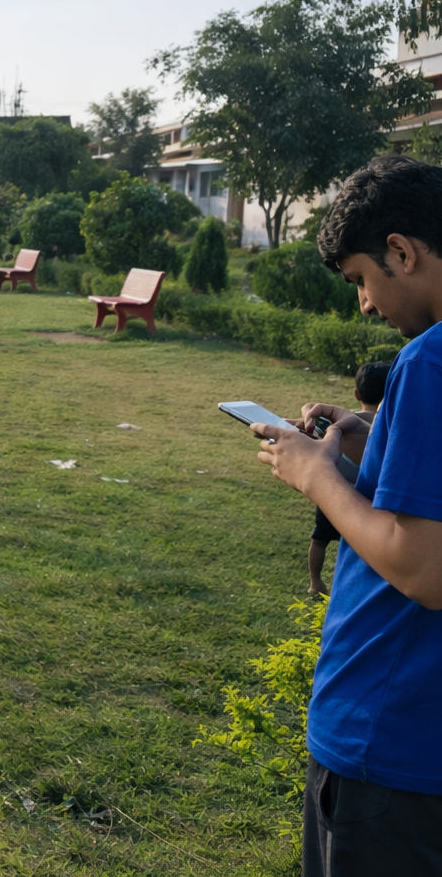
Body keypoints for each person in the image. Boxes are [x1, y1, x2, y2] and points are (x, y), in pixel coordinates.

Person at [249, 155, 442, 874]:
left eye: (362, 278)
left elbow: (424, 568)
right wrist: (374, 449)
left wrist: (316, 475)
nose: (364, 303)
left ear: (402, 251)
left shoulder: (429, 362)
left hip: (392, 736)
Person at [308, 361, 390, 597]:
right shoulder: (386, 429)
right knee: (360, 546)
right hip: (365, 501)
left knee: (319, 539)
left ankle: (315, 582)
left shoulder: (341, 423)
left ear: (357, 394)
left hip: (331, 492)